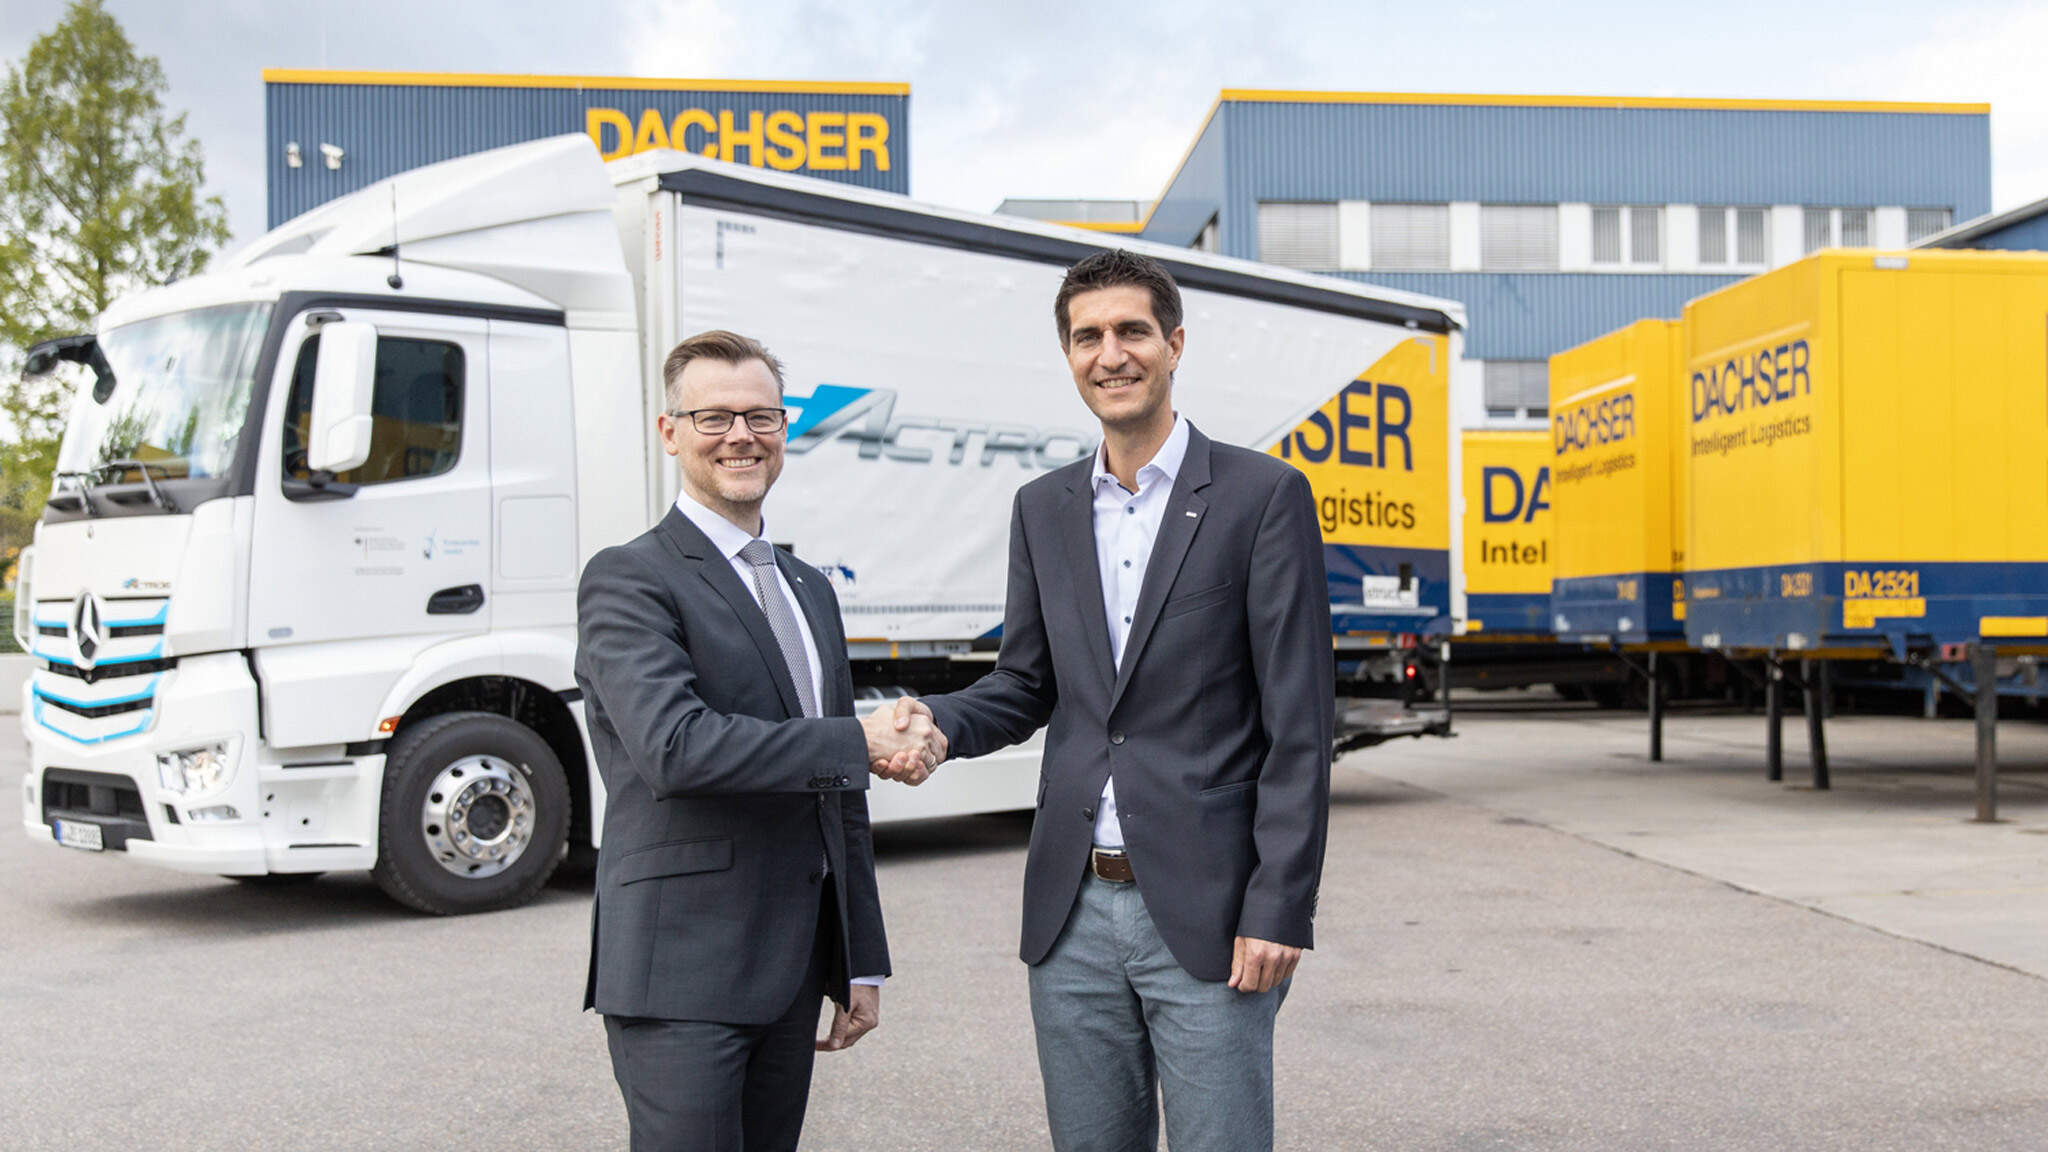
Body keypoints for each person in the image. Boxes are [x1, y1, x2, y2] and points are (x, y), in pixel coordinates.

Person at [882, 249, 1334, 1152]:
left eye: (1131, 331)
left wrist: (1279, 904)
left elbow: (1300, 723)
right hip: (1072, 910)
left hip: (1208, 909)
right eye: (1087, 336)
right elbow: (1024, 685)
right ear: (1068, 355)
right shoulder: (1041, 507)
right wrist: (939, 726)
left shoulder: (1261, 496)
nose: (1110, 354)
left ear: (1173, 345)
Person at [575, 329, 943, 1152]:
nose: (740, 436)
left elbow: (838, 799)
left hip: (789, 975)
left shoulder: (808, 588)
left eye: (761, 417)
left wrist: (859, 960)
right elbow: (676, 746)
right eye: (713, 417)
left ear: (784, 431)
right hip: (682, 976)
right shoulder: (629, 577)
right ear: (669, 433)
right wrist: (858, 739)